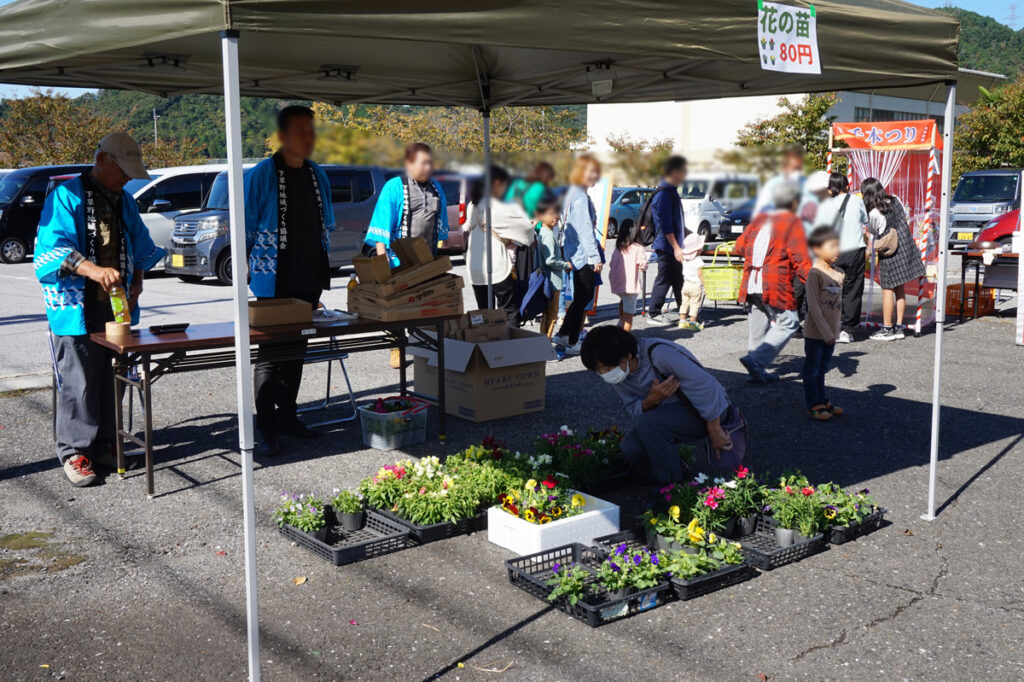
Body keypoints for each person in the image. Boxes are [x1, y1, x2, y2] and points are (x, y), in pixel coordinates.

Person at [34, 133, 165, 486]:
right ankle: (76, 451)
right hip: (76, 306)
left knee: (114, 377)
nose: (127, 179)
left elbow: (142, 244)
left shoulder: (125, 201)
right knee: (79, 382)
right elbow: (51, 250)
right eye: (123, 170)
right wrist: (94, 270)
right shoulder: (66, 196)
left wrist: (138, 278)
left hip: (117, 306)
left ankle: (108, 443)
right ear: (103, 160)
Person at [244, 105, 336, 457]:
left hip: (308, 275)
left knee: (297, 349)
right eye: (302, 131)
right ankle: (265, 426)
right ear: (282, 136)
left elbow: (324, 223)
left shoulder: (316, 174)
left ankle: (288, 416)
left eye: (312, 131)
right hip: (272, 277)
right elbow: (246, 228)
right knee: (270, 353)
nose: (309, 138)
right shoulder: (263, 174)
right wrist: (246, 276)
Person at [580, 326, 734, 483]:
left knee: (649, 424)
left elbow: (708, 386)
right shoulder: (619, 374)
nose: (605, 374)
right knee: (630, 447)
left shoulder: (659, 354)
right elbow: (634, 408)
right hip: (666, 417)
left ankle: (670, 488)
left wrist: (715, 428)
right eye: (599, 371)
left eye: (607, 368)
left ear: (627, 356)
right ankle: (676, 469)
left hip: (707, 410)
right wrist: (651, 400)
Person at [735, 181, 811, 383]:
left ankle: (756, 371)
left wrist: (756, 257)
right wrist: (812, 281)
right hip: (773, 282)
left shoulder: (759, 221)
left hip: (751, 281)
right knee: (789, 322)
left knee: (757, 328)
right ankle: (757, 362)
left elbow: (739, 246)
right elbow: (800, 258)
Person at [465, 166, 536, 323]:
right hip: (495, 267)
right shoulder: (498, 207)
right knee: (508, 311)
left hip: (475, 267)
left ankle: (485, 344)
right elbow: (526, 229)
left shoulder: (473, 205)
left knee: (484, 313)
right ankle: (510, 346)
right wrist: (514, 240)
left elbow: (466, 227)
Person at [862, 177, 926, 341]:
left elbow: (873, 230)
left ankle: (886, 328)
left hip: (889, 252)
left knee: (887, 289)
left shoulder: (875, 212)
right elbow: (903, 219)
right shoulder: (895, 199)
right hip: (905, 248)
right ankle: (898, 327)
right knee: (899, 289)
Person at [364, 142, 449, 266]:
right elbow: (381, 221)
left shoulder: (436, 188)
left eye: (430, 163)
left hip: (428, 257)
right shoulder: (394, 187)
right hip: (399, 260)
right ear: (410, 163)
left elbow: (441, 222)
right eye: (424, 163)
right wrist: (382, 255)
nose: (428, 167)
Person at [551, 155, 603, 355]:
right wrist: (595, 257)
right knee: (584, 295)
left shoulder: (572, 194)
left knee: (582, 295)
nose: (594, 177)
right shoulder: (580, 197)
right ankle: (570, 339)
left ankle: (566, 335)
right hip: (581, 254)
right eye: (591, 173)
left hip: (572, 251)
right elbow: (585, 230)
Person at [816, 172, 869, 343]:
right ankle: (847, 330)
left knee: (832, 289)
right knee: (852, 290)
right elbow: (865, 220)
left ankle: (830, 326)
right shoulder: (857, 200)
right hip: (855, 250)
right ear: (847, 186)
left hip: (833, 251)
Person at [802, 226, 846, 421]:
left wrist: (836, 329)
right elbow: (813, 306)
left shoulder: (838, 273)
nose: (837, 250)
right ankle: (814, 404)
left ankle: (823, 399)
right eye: (832, 246)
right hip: (816, 333)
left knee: (823, 368)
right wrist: (826, 331)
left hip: (831, 332)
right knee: (812, 369)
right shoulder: (815, 274)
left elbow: (837, 306)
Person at [647, 155, 688, 323]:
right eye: (683, 172)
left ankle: (685, 313)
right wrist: (676, 247)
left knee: (678, 279)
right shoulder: (664, 193)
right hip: (667, 246)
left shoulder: (670, 191)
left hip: (672, 245)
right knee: (664, 279)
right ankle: (654, 313)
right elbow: (665, 225)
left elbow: (676, 222)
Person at [534, 198, 571, 338]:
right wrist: (565, 265)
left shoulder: (542, 232)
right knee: (552, 316)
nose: (555, 217)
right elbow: (550, 260)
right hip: (553, 281)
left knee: (547, 315)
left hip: (546, 280)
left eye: (556, 213)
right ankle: (546, 345)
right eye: (551, 214)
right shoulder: (548, 234)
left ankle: (542, 345)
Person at [607, 221, 647, 332]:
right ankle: (624, 336)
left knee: (623, 300)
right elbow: (643, 265)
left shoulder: (618, 248)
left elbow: (611, 264)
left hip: (617, 284)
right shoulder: (638, 248)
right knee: (629, 315)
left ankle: (620, 321)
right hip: (630, 286)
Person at [753, 145, 806, 215]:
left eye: (799, 168)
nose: (798, 172)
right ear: (784, 168)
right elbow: (759, 211)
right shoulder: (772, 184)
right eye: (795, 168)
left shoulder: (805, 183)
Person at [678, 232, 706, 331]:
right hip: (695, 286)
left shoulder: (685, 259)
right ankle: (693, 323)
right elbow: (700, 275)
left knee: (684, 303)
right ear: (698, 249)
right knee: (694, 304)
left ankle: (682, 321)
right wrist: (705, 286)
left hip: (685, 285)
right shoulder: (698, 260)